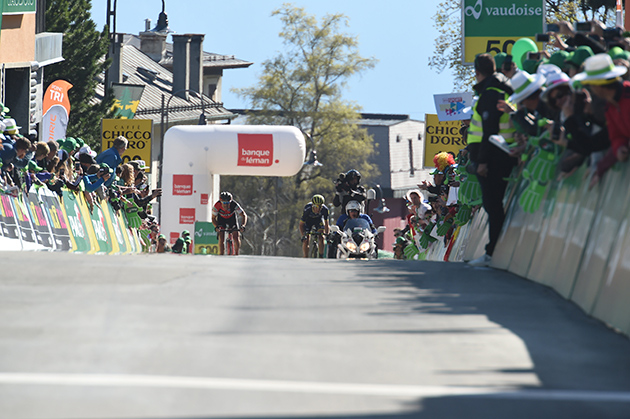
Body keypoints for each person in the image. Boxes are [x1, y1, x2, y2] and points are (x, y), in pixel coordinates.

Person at [466, 53, 518, 267]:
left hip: (495, 157)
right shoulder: (499, 86)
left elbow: (489, 130)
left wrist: (483, 161)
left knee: (492, 203)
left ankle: (492, 252)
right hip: (500, 154)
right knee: (493, 204)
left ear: (477, 73)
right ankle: (493, 250)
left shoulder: (490, 92)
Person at [572, 53, 630, 184]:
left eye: (590, 85)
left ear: (598, 85)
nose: (591, 90)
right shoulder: (609, 108)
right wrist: (619, 147)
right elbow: (616, 136)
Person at [212, 191, 247, 255]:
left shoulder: (234, 204)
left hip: (232, 219)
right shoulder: (217, 206)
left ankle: (236, 254)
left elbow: (244, 215)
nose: (226, 205)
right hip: (221, 219)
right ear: (221, 202)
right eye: (224, 203)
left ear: (230, 202)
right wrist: (216, 226)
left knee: (236, 237)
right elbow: (213, 218)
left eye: (228, 203)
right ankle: (221, 254)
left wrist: (243, 225)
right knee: (221, 237)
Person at [298, 194, 330, 258]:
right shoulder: (307, 209)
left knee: (321, 237)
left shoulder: (325, 210)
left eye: (320, 207)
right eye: (316, 206)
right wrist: (303, 236)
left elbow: (326, 224)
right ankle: (305, 256)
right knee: (306, 240)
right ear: (312, 205)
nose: (317, 209)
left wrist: (327, 235)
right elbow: (301, 224)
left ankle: (321, 256)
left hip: (318, 221)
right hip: (308, 221)